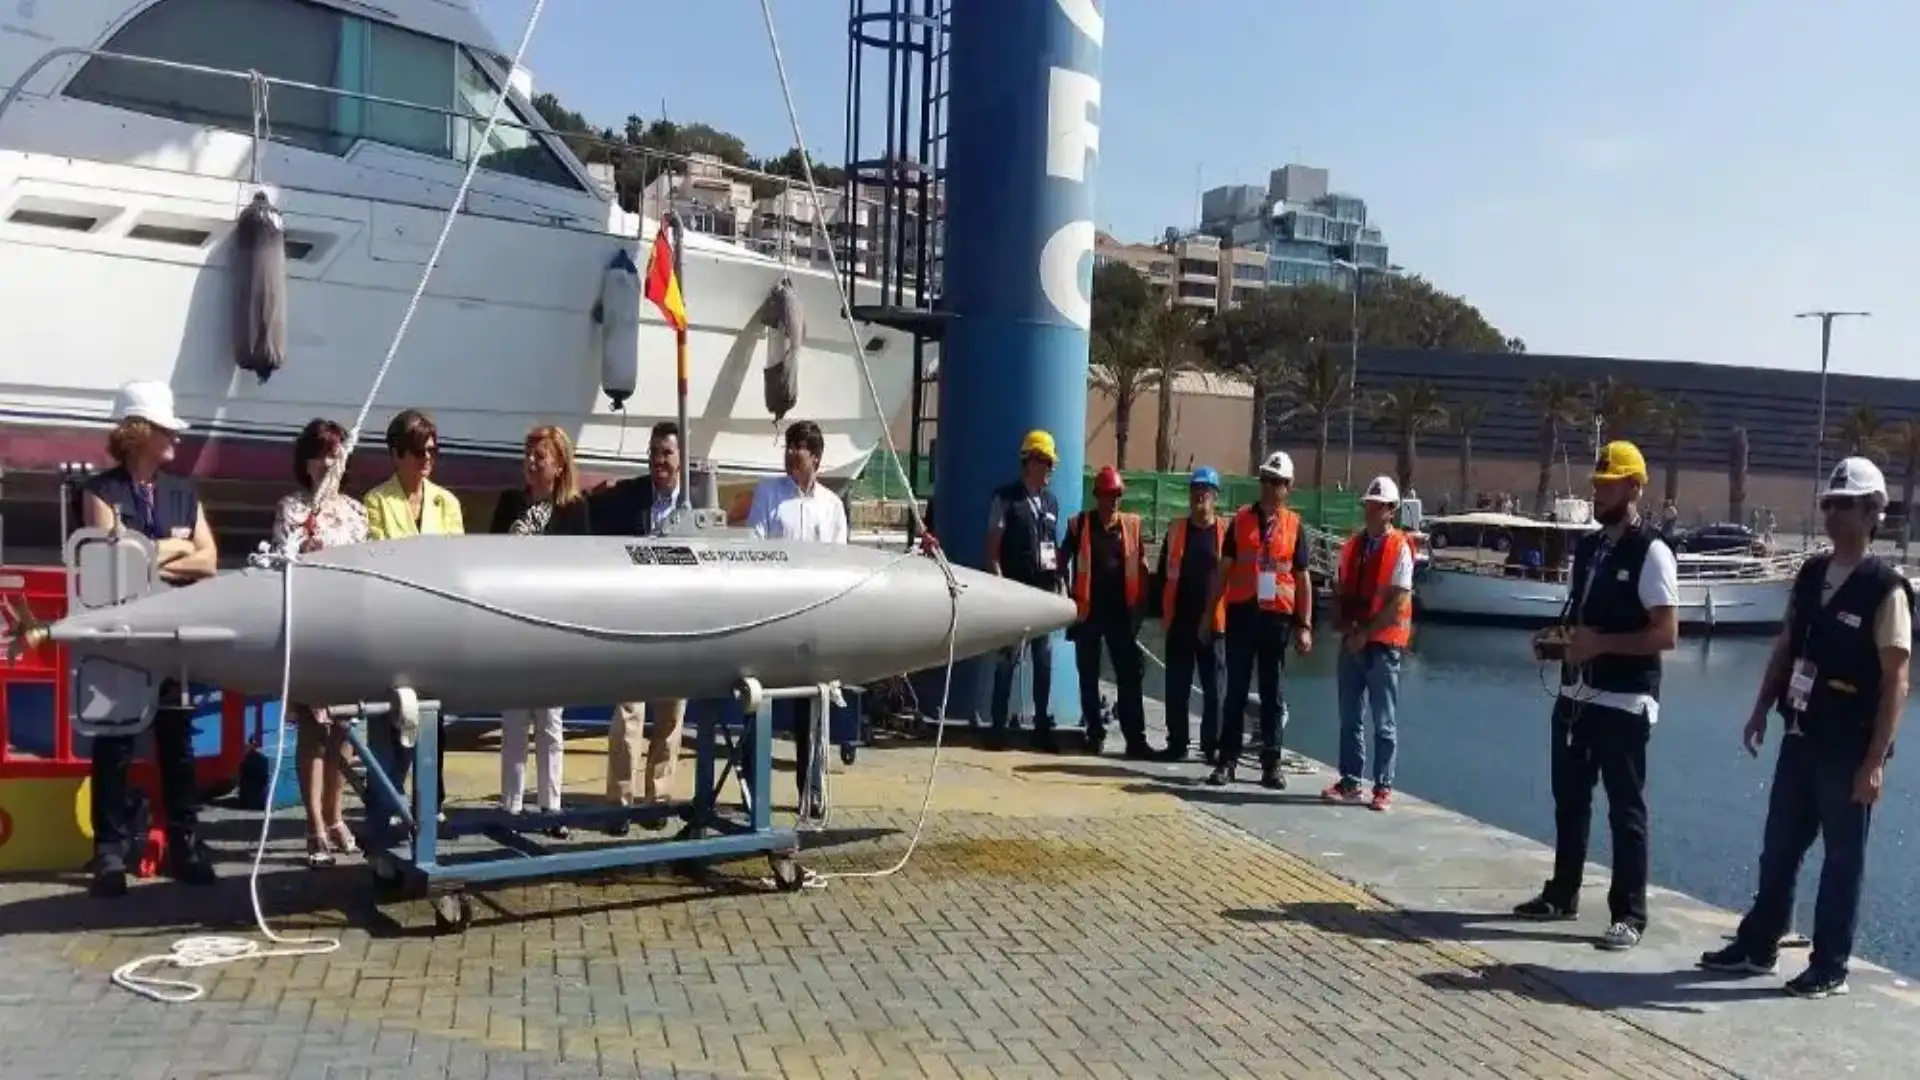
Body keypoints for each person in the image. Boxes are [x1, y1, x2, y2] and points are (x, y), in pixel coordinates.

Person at [1700, 457, 1911, 998]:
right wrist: (1759, 709)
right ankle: (1759, 944)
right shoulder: (1811, 575)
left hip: (1849, 751)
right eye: (1830, 504)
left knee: (1842, 862)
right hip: (1800, 736)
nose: (1834, 514)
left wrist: (1874, 763)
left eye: (1846, 505)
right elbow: (1788, 646)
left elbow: (1896, 683)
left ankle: (1830, 965)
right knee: (1778, 848)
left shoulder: (1885, 590)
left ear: (1873, 514)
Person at [1513, 440, 1678, 952]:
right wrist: (1555, 642)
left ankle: (1629, 914)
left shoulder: (1651, 551)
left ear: (1634, 488)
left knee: (1625, 810)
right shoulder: (1589, 548)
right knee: (1569, 800)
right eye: (1597, 485)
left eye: (1609, 485)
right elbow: (1581, 620)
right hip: (1577, 695)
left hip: (1625, 701)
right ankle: (1562, 894)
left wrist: (1601, 644)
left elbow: (1666, 634)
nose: (1599, 493)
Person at [80, 380, 220, 897]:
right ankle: (109, 853)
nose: (177, 442)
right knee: (113, 742)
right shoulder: (99, 492)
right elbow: (109, 561)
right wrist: (173, 546)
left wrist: (144, 548)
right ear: (139, 434)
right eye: (167, 430)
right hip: (121, 636)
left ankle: (186, 845)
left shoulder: (185, 493)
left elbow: (207, 559)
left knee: (177, 742)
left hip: (172, 633)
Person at [271, 418, 369, 868]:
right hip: (310, 628)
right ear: (307, 462)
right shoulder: (292, 509)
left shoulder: (356, 511)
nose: (329, 462)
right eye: (321, 454)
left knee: (344, 732)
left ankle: (336, 814)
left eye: (335, 453)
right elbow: (281, 563)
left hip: (347, 628)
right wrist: (302, 544)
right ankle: (312, 824)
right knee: (312, 731)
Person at [362, 409, 464, 826]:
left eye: (433, 451)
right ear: (396, 454)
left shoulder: (447, 502)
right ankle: (384, 803)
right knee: (387, 723)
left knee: (431, 719)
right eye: (420, 451)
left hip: (435, 626)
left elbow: (456, 562)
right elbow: (379, 559)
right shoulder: (375, 502)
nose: (428, 458)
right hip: (391, 626)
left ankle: (429, 802)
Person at [489, 426, 592, 838]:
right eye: (527, 455)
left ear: (559, 463)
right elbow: (491, 554)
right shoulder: (510, 503)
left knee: (550, 722)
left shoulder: (574, 509)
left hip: (553, 624)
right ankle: (510, 808)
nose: (531, 463)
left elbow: (581, 568)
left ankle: (552, 808)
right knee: (514, 721)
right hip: (513, 621)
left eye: (540, 456)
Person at [587, 420, 688, 834]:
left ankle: (658, 800)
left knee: (670, 717)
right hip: (636, 621)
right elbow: (589, 520)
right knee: (628, 713)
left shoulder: (695, 504)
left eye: (666, 452)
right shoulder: (628, 497)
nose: (658, 460)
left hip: (679, 624)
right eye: (653, 451)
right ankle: (619, 804)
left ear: (681, 458)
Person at [747, 420, 849, 815]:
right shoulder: (769, 493)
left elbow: (840, 561)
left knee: (813, 712)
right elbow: (754, 544)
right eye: (788, 446)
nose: (790, 453)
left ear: (816, 459)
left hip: (814, 624)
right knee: (762, 706)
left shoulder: (832, 505)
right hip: (773, 617)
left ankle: (812, 791)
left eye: (798, 448)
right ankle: (755, 793)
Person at [1206, 451, 1312, 788]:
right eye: (1265, 479)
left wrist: (1304, 625)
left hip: (1277, 619)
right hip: (1242, 614)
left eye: (1277, 482)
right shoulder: (1240, 521)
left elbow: (1303, 578)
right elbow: (1223, 572)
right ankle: (1227, 761)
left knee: (1272, 693)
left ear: (1288, 487)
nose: (1269, 487)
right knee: (1234, 691)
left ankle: (1271, 764)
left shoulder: (1295, 526)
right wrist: (1210, 614)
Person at [1325, 476, 1415, 812]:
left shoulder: (1400, 548)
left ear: (1391, 511)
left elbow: (1398, 600)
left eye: (1378, 505)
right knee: (1350, 716)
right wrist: (1344, 626)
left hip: (1383, 646)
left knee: (1384, 720)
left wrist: (1367, 633)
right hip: (1352, 640)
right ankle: (1350, 780)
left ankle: (1383, 786)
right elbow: (1339, 588)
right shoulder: (1351, 546)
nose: (1371, 510)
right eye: (1369, 504)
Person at [1061, 466, 1151, 758]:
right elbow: (1061, 564)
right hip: (1088, 614)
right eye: (1108, 495)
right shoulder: (1079, 525)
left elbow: (1143, 569)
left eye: (1117, 496)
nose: (1112, 501)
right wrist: (1066, 599)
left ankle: (1135, 739)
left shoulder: (1132, 526)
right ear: (1097, 495)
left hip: (1121, 616)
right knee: (1087, 676)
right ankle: (1094, 734)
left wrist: (1141, 610)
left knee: (1128, 678)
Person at [986, 429, 1065, 752]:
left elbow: (1053, 547)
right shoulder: (1005, 499)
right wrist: (1000, 587)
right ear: (1030, 461)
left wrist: (1060, 585)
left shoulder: (1051, 503)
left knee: (1043, 661)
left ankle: (1041, 727)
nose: (1051, 469)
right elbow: (992, 549)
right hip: (1015, 596)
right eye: (1047, 462)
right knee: (1007, 661)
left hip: (1043, 595)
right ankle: (997, 727)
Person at [1154, 467, 1227, 763]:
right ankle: (1177, 743)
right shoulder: (1176, 530)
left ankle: (1212, 746)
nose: (1199, 495)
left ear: (1215, 497)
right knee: (1177, 688)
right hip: (1181, 621)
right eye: (1195, 489)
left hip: (1214, 623)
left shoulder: (1226, 533)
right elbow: (1162, 575)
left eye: (1206, 491)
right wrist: (1160, 613)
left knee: (1215, 690)